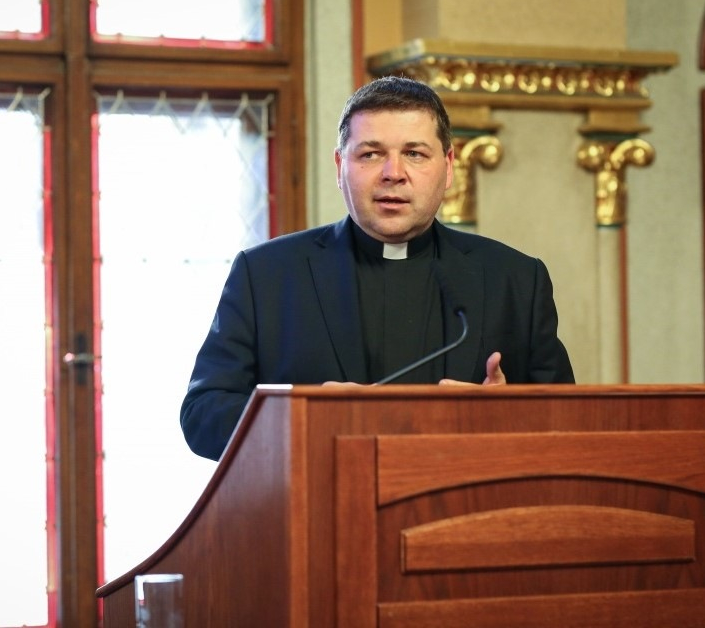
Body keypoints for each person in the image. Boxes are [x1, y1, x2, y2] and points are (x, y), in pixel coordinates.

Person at [180, 75, 574, 460]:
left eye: (415, 153)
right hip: (318, 501)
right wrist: (302, 418)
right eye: (370, 154)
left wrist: (508, 415)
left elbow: (569, 424)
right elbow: (203, 413)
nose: (393, 173)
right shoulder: (266, 274)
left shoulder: (516, 280)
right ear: (340, 166)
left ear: (449, 166)